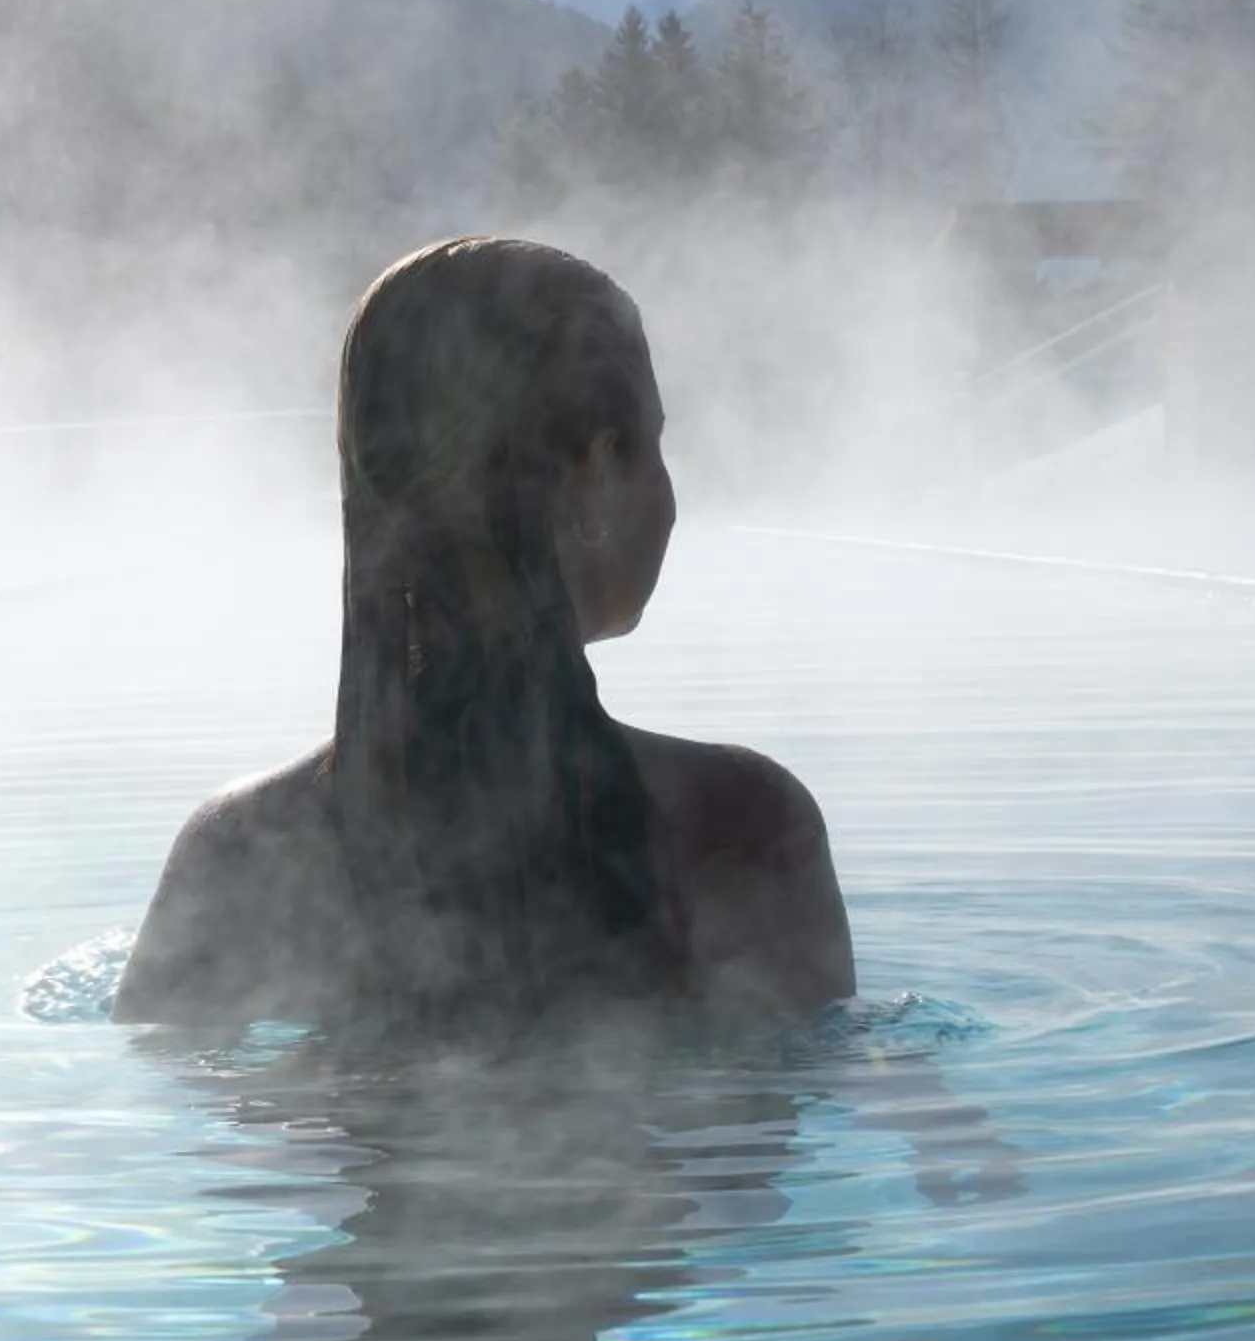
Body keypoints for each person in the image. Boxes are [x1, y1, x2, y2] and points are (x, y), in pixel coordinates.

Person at [116, 236, 853, 1029]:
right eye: (656, 443)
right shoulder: (737, 823)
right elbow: (800, 1100)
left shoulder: (240, 853)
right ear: (597, 470)